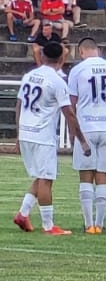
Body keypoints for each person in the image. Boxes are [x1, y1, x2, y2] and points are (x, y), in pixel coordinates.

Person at [12, 42, 82, 235]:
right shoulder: (57, 81)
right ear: (61, 59)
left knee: (41, 175)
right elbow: (69, 113)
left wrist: (18, 133)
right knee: (46, 179)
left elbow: (19, 104)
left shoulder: (29, 75)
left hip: (26, 131)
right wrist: (81, 140)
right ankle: (48, 226)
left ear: (42, 56)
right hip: (42, 135)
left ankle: (23, 213)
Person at [65, 38, 106, 234]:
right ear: (98, 50)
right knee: (103, 175)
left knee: (86, 175)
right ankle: (99, 224)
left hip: (86, 126)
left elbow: (71, 104)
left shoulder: (78, 70)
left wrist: (73, 132)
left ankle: (88, 224)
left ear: (81, 51)